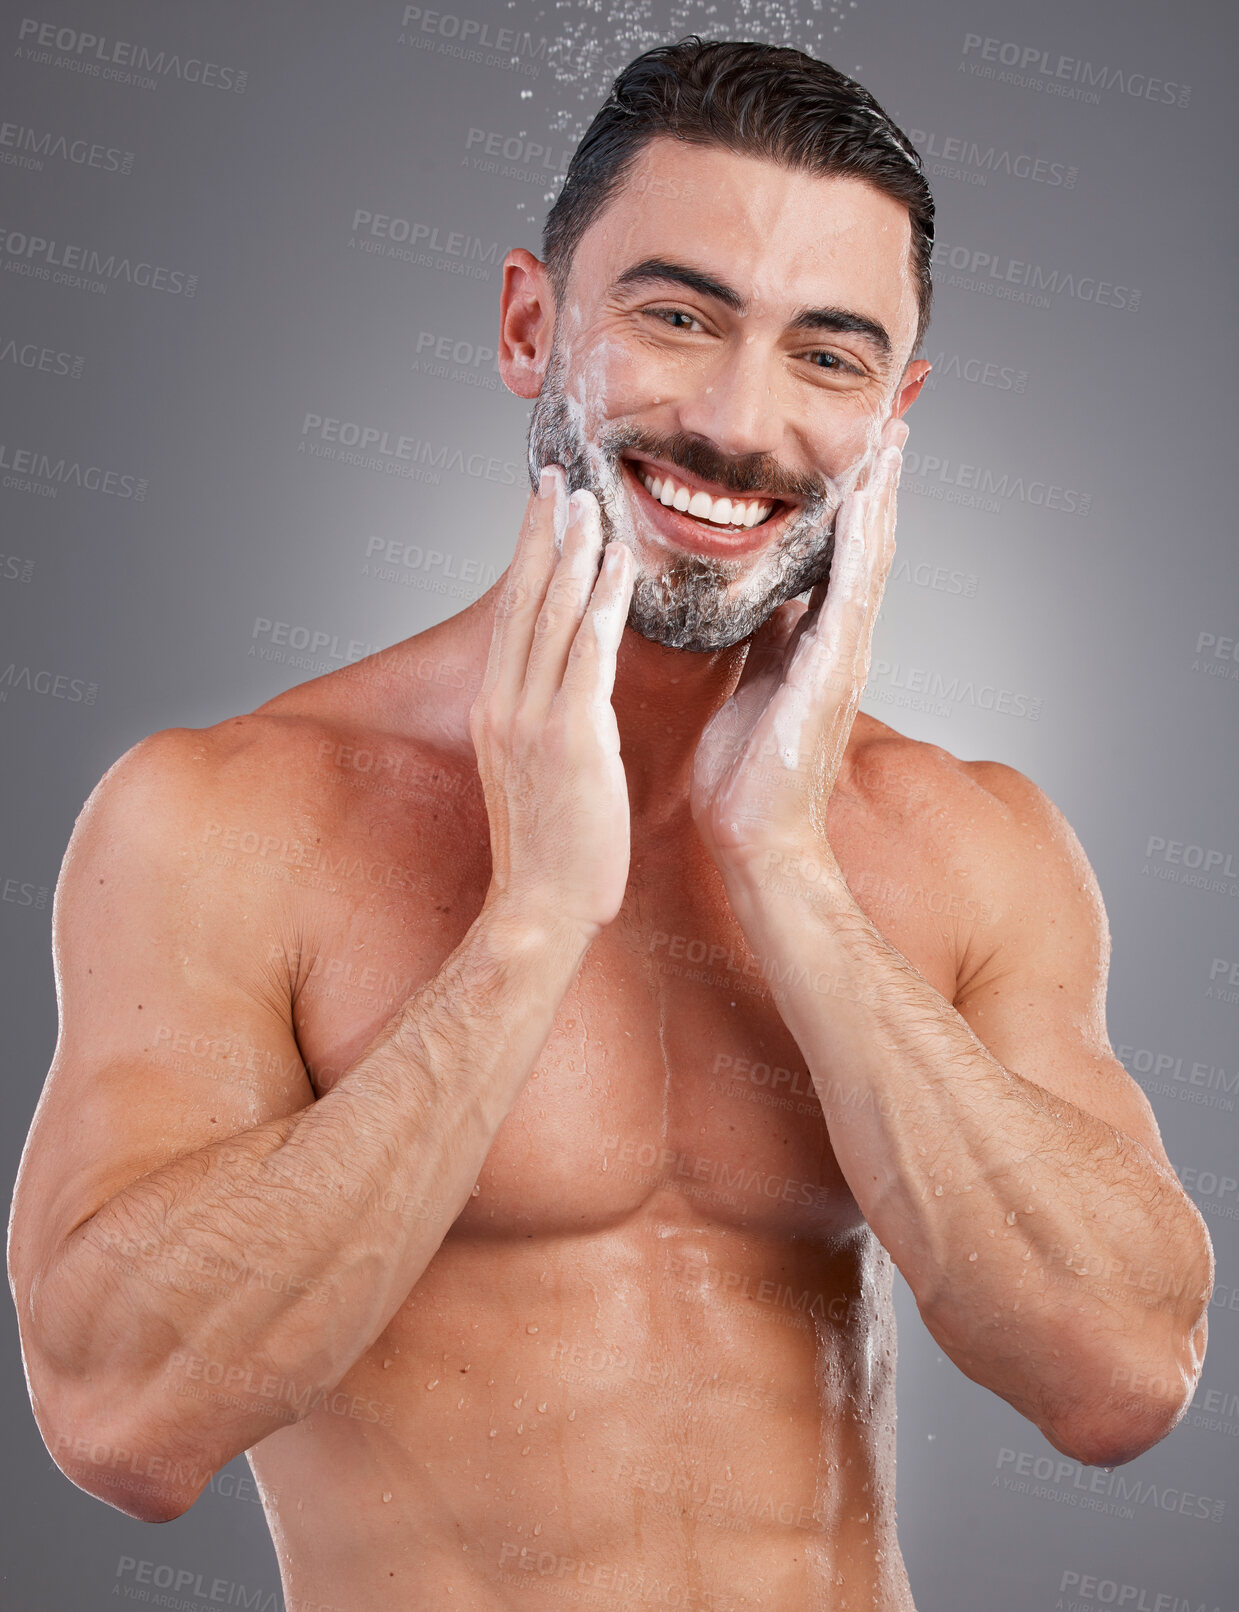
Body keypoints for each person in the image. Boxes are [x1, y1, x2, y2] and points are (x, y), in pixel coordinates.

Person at [8, 37, 1212, 1612]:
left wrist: (786, 865)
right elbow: (122, 1419)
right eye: (676, 316)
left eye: (827, 356)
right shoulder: (229, 818)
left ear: (895, 415)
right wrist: (527, 925)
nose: (737, 418)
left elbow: (1124, 1378)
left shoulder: (964, 840)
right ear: (530, 322)